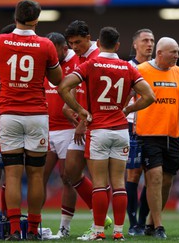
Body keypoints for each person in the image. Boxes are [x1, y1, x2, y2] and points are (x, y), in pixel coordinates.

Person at [59, 26, 155, 241]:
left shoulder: (90, 65)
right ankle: (119, 232)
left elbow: (63, 87)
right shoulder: (127, 67)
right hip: (121, 130)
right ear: (118, 46)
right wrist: (128, 109)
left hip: (98, 130)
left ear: (99, 44)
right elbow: (149, 96)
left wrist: (82, 111)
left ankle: (98, 231)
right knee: (119, 183)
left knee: (100, 184)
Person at [0, 0, 62, 241]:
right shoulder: (46, 44)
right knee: (37, 175)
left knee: (13, 174)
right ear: (36, 19)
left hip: (9, 114)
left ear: (15, 16)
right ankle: (34, 229)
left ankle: (15, 229)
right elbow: (58, 79)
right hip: (37, 114)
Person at [63, 20, 112, 240]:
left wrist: (83, 121)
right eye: (71, 43)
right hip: (85, 122)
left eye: (78, 42)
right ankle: (100, 216)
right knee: (71, 171)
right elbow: (78, 88)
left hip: (98, 124)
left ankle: (99, 224)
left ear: (89, 37)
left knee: (98, 177)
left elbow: (98, 95)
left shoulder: (97, 58)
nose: (74, 47)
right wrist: (73, 108)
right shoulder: (78, 58)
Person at [135, 37, 179, 239]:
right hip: (148, 134)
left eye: (178, 51)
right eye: (173, 52)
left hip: (173, 134)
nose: (177, 56)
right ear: (160, 53)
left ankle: (150, 222)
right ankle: (159, 226)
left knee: (166, 181)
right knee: (153, 178)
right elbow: (128, 94)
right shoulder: (141, 71)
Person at [42, 32, 79, 238]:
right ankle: (33, 224)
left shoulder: (77, 61)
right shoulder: (44, 59)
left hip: (68, 129)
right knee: (39, 176)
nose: (50, 57)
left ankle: (64, 227)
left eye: (54, 53)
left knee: (68, 178)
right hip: (45, 127)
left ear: (65, 49)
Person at [125, 28, 154, 236]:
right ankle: (133, 222)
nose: (149, 44)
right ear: (135, 44)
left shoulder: (160, 68)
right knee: (133, 173)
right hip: (131, 126)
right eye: (145, 40)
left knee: (152, 175)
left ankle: (143, 220)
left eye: (152, 40)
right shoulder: (127, 67)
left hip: (154, 126)